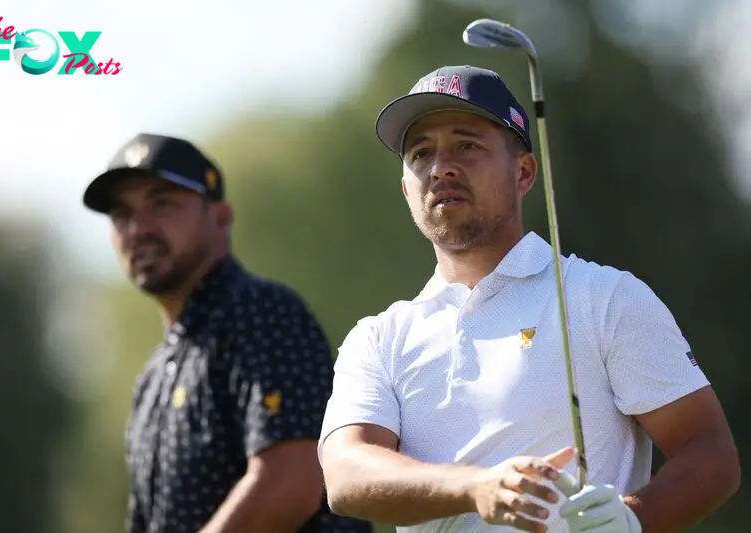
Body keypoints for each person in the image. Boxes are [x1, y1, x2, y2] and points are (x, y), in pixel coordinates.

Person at [317, 66, 740, 533]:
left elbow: (710, 452)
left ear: (523, 172)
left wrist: (634, 520)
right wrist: (476, 488)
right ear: (406, 189)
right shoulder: (379, 337)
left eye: (467, 145)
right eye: (421, 153)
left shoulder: (604, 298)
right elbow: (345, 475)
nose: (441, 167)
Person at [82, 133, 373, 533]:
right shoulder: (153, 376)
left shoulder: (262, 312)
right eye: (121, 215)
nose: (138, 228)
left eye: (162, 203)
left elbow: (291, 482)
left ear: (220, 217)